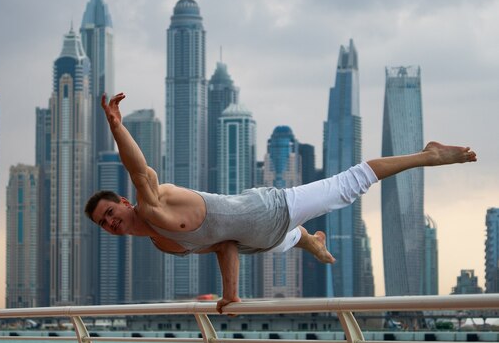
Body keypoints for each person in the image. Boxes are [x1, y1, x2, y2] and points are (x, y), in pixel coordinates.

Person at [85, 93, 477, 314]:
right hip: (258, 240)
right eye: (104, 224)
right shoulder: (160, 242)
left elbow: (138, 171)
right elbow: (223, 245)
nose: (111, 223)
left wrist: (117, 127)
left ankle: (429, 155)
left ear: (122, 202)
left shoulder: (153, 203)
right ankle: (312, 241)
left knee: (347, 187)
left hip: (269, 209)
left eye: (110, 213)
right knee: (288, 241)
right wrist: (231, 295)